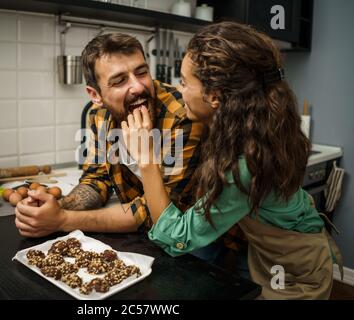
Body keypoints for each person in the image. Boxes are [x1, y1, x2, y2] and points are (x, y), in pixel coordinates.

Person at [121, 21, 343, 299]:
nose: (179, 90)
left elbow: (177, 237)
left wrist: (146, 159)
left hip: (295, 269)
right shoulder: (258, 124)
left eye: (184, 82)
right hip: (285, 248)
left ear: (215, 96)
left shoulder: (247, 164)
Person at [14, 33, 203, 237]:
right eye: (119, 80)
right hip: (145, 237)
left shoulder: (182, 115)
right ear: (95, 95)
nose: (138, 87)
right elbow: (97, 179)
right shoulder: (100, 116)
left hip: (195, 243)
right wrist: (55, 207)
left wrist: (63, 220)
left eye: (142, 72)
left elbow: (160, 211)